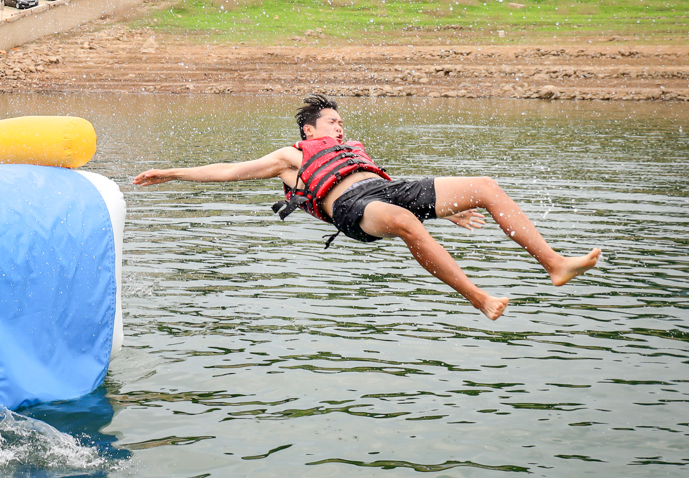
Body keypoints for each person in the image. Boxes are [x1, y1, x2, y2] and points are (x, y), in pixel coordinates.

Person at [133, 94, 600, 321]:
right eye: (333, 123)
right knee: (400, 221)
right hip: (352, 210)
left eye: (341, 124)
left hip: (386, 190)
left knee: (486, 186)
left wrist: (446, 209)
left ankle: (555, 264)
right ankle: (479, 298)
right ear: (312, 130)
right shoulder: (290, 158)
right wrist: (173, 172)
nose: (340, 129)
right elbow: (229, 170)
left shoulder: (351, 150)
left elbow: (379, 180)